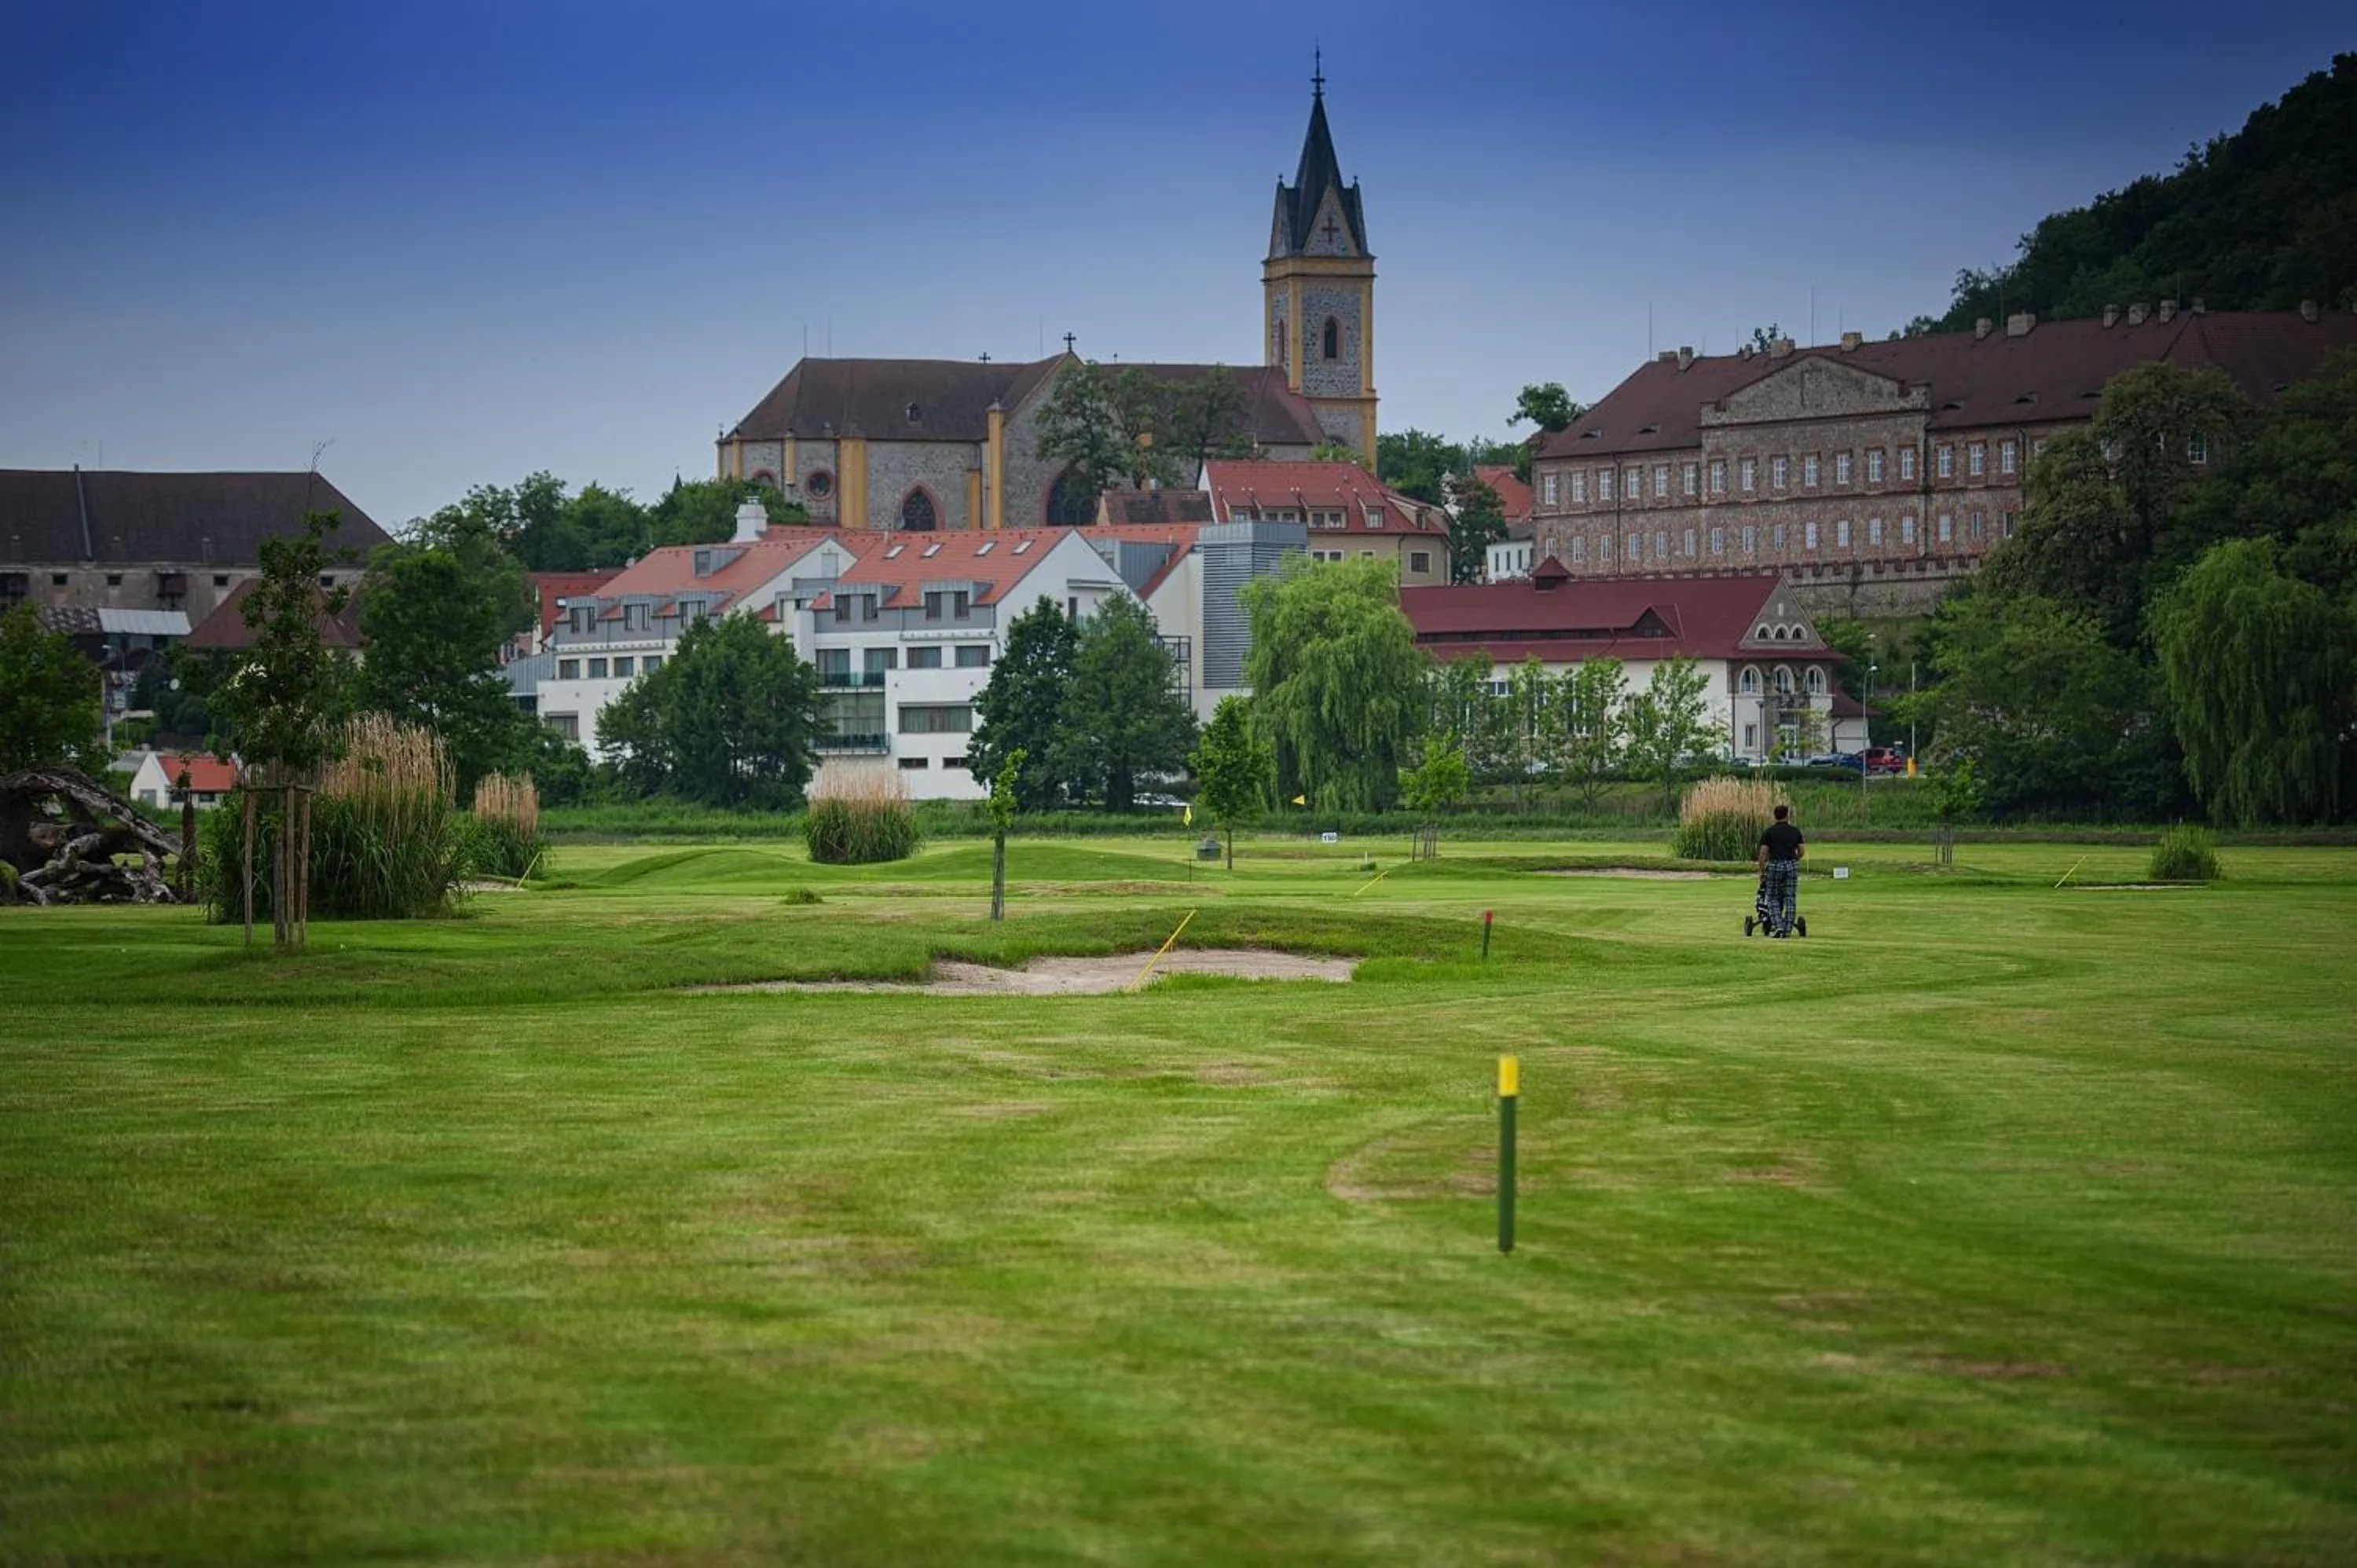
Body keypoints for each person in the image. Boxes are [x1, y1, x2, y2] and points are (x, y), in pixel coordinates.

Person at [1754, 804, 1805, 937]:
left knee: (1772, 897)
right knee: (1790, 897)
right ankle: (1788, 928)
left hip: (1775, 865)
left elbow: (1763, 854)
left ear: (1774, 816)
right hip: (1791, 864)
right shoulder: (1795, 831)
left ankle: (1778, 926)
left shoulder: (1769, 832)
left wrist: (1762, 871)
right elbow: (1801, 851)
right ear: (1787, 815)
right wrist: (1794, 860)